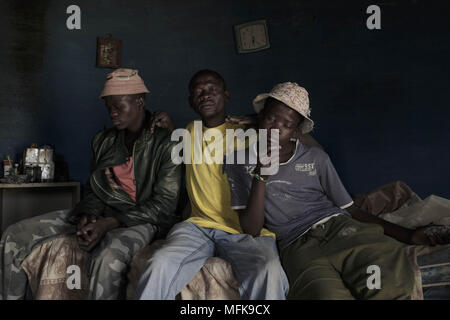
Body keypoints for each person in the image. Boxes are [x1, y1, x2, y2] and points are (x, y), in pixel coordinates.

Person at [223, 82, 448, 299]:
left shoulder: (315, 157)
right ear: (260, 117)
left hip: (339, 227)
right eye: (271, 118)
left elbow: (352, 210)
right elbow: (251, 229)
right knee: (322, 293)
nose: (275, 128)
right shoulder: (238, 162)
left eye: (287, 124)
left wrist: (408, 235)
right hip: (295, 244)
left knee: (382, 277)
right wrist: (261, 175)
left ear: (296, 130)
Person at [0, 68, 182, 300]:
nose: (113, 114)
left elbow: (165, 205)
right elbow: (95, 190)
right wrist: (88, 214)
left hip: (144, 219)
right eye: (109, 109)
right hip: (105, 212)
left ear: (139, 101)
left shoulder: (168, 143)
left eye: (119, 107)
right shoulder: (103, 141)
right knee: (14, 235)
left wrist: (109, 223)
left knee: (107, 258)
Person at [136, 69, 289, 300]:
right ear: (190, 101)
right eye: (198, 90)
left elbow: (295, 136)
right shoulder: (188, 131)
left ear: (226, 95)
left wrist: (256, 120)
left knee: (269, 268)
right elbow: (185, 147)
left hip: (241, 230)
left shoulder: (250, 133)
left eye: (212, 89)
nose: (205, 94)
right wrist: (168, 126)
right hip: (197, 227)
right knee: (158, 263)